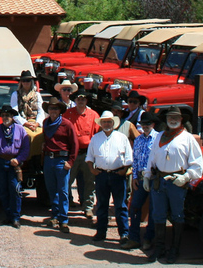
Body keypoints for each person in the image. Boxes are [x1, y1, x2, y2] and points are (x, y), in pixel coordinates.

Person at [143, 106, 203, 263]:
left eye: (176, 117)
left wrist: (186, 177)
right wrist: (147, 175)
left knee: (177, 215)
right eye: (170, 117)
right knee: (158, 214)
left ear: (181, 119)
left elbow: (197, 164)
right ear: (166, 119)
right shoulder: (160, 136)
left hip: (176, 182)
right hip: (159, 181)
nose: (173, 119)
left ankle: (174, 250)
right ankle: (160, 248)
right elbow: (152, 157)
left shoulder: (188, 138)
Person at [86, 110, 133, 244]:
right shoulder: (96, 138)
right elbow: (89, 157)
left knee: (120, 205)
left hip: (117, 175)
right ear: (101, 123)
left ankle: (124, 233)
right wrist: (92, 169)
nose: (107, 124)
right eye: (104, 121)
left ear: (113, 123)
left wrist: (124, 170)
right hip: (101, 175)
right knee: (101, 205)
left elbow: (129, 157)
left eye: (109, 121)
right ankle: (101, 232)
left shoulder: (121, 137)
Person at [0, 104, 30, 228]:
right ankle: (8, 216)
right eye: (3, 115)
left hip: (14, 164)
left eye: (8, 115)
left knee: (15, 190)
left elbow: (26, 148)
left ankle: (16, 217)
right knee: (3, 190)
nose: (6, 117)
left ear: (12, 116)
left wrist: (19, 159)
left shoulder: (21, 130)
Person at [123, 111, 160, 251]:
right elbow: (136, 160)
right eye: (143, 124)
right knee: (135, 207)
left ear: (153, 124)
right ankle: (134, 238)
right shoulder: (138, 139)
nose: (145, 126)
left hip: (154, 176)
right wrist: (135, 178)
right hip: (140, 176)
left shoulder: (158, 138)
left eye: (148, 124)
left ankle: (149, 238)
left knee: (153, 209)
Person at [42, 96, 78, 234]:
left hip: (61, 160)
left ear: (60, 110)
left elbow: (74, 144)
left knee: (63, 191)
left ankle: (64, 219)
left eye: (56, 108)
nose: (53, 111)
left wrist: (71, 162)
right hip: (48, 159)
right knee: (51, 190)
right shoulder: (45, 123)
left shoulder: (67, 124)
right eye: (51, 108)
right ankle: (55, 216)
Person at [63, 91, 100, 219]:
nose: (81, 101)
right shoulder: (68, 114)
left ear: (87, 101)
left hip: (88, 154)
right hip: (72, 154)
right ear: (75, 100)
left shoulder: (94, 115)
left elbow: (98, 135)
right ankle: (65, 206)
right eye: (78, 98)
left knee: (90, 182)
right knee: (67, 181)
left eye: (83, 99)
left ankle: (88, 207)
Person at [10, 70, 45, 156]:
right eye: (24, 80)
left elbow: (41, 110)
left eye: (28, 80)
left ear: (31, 82)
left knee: (41, 135)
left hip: (35, 121)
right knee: (30, 136)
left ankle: (37, 160)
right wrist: (26, 123)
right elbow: (14, 113)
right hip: (22, 122)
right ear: (21, 82)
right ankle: (30, 160)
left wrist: (37, 123)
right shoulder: (16, 94)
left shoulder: (37, 95)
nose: (26, 83)